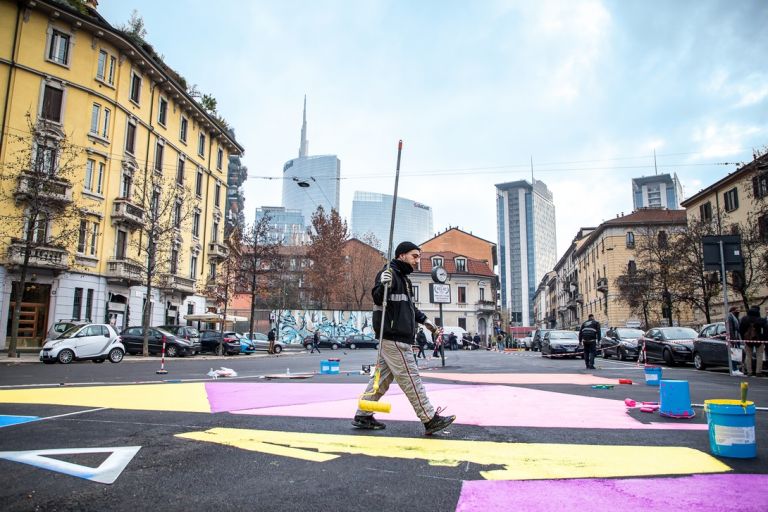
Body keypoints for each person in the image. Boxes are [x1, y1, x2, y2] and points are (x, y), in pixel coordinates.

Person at [352, 241, 456, 435]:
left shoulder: (404, 279)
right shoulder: (389, 274)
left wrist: (428, 324)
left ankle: (363, 415)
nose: (418, 260)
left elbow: (409, 308)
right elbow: (377, 298)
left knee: (381, 380)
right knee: (411, 379)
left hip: (394, 337)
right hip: (395, 338)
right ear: (401, 255)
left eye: (419, 257)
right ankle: (429, 418)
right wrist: (383, 284)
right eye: (414, 256)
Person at [739, 306, 765, 377]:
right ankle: (758, 372)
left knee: (748, 355)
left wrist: (743, 338)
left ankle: (749, 371)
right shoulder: (761, 320)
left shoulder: (744, 319)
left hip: (747, 339)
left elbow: (741, 329)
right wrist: (764, 338)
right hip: (759, 339)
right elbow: (765, 330)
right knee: (759, 355)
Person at [726, 306, 742, 374]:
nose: (738, 311)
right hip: (733, 338)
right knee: (734, 353)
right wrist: (733, 339)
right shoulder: (730, 317)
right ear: (732, 311)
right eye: (736, 310)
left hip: (736, 337)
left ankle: (736, 368)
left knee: (736, 353)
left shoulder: (735, 317)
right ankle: (734, 369)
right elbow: (730, 328)